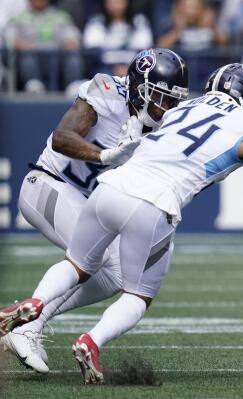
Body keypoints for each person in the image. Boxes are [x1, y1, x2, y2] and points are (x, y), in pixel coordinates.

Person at [0, 63, 243, 384]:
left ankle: (35, 303)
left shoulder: (185, 107)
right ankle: (92, 339)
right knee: (137, 295)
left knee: (77, 264)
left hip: (107, 189)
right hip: (153, 202)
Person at [0, 48, 189, 374]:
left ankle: (27, 322)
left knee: (119, 272)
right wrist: (106, 157)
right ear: (138, 88)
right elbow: (62, 137)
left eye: (172, 101)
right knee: (99, 257)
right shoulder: (106, 91)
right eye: (159, 98)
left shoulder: (165, 127)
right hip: (47, 185)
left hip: (88, 202)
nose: (166, 108)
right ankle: (26, 327)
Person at [4, 0, 83, 93]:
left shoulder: (60, 16)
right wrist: (19, 43)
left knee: (72, 55)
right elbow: (8, 37)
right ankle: (34, 86)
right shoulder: (18, 16)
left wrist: (71, 41)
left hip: (57, 57)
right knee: (27, 56)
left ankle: (73, 87)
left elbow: (73, 35)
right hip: (30, 56)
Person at [82, 0, 153, 76]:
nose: (116, 5)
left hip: (134, 71)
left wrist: (128, 68)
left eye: (120, 1)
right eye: (112, 2)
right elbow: (92, 54)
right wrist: (113, 69)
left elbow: (145, 52)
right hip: (103, 71)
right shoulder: (96, 21)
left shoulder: (139, 21)